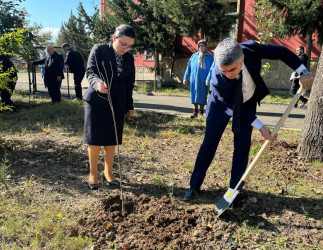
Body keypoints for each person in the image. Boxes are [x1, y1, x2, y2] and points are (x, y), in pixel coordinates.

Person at [183, 39, 313, 202]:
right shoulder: (218, 77)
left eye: (231, 70)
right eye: (224, 71)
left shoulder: (250, 50)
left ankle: (234, 190)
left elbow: (282, 52)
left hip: (247, 101)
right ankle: (194, 185)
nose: (228, 74)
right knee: (209, 142)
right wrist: (260, 126)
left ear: (242, 59)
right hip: (221, 104)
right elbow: (234, 107)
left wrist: (302, 71)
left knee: (242, 146)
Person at [84, 24, 135, 190]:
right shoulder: (99, 50)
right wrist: (97, 83)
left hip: (117, 103)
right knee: (95, 139)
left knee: (112, 139)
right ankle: (93, 174)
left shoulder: (129, 58)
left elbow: (129, 83)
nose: (125, 49)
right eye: (123, 44)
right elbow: (90, 71)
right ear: (114, 38)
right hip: (97, 101)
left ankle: (108, 172)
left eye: (129, 46)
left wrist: (130, 105)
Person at [183, 40, 214, 118]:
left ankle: (201, 111)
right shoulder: (194, 56)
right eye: (199, 46)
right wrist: (185, 77)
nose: (201, 48)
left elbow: (212, 69)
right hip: (194, 78)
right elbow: (188, 67)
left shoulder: (210, 57)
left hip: (204, 79)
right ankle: (195, 111)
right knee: (194, 94)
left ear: (206, 47)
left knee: (202, 94)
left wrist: (208, 79)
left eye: (202, 46)